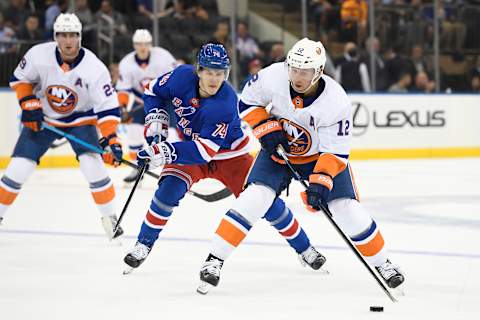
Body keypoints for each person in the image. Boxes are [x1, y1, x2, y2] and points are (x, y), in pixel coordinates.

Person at [197, 38, 405, 293]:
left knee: (345, 209)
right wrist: (265, 126)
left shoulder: (336, 101)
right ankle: (214, 260)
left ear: (318, 71)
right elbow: (247, 101)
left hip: (320, 157)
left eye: (304, 71)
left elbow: (336, 153)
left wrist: (320, 183)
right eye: (294, 68)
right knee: (254, 197)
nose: (297, 75)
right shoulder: (273, 75)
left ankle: (383, 263)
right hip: (278, 151)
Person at [122, 43, 326, 276]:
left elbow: (204, 151)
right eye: (209, 71)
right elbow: (152, 92)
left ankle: (304, 248)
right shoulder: (179, 76)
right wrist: (155, 119)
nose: (214, 79)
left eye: (220, 73)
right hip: (190, 147)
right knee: (167, 191)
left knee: (266, 202)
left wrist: (163, 151)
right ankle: (143, 245)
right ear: (198, 70)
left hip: (230, 156)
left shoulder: (226, 102)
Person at [0, 13, 124, 240]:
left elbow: (107, 109)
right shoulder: (38, 55)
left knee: (92, 166)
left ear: (80, 37)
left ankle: (110, 218)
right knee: (19, 167)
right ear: (56, 37)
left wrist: (111, 139)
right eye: (63, 35)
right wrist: (28, 103)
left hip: (80, 120)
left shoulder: (94, 68)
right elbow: (21, 80)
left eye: (73, 35)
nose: (68, 41)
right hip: (45, 119)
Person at [116, 29, 177, 183]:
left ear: (150, 44)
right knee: (133, 131)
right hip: (140, 100)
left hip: (163, 100)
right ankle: (137, 166)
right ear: (134, 45)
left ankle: (172, 169)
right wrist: (122, 108)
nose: (142, 47)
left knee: (170, 133)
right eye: (139, 44)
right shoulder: (126, 63)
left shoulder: (163, 57)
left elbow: (176, 79)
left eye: (145, 44)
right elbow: (123, 89)